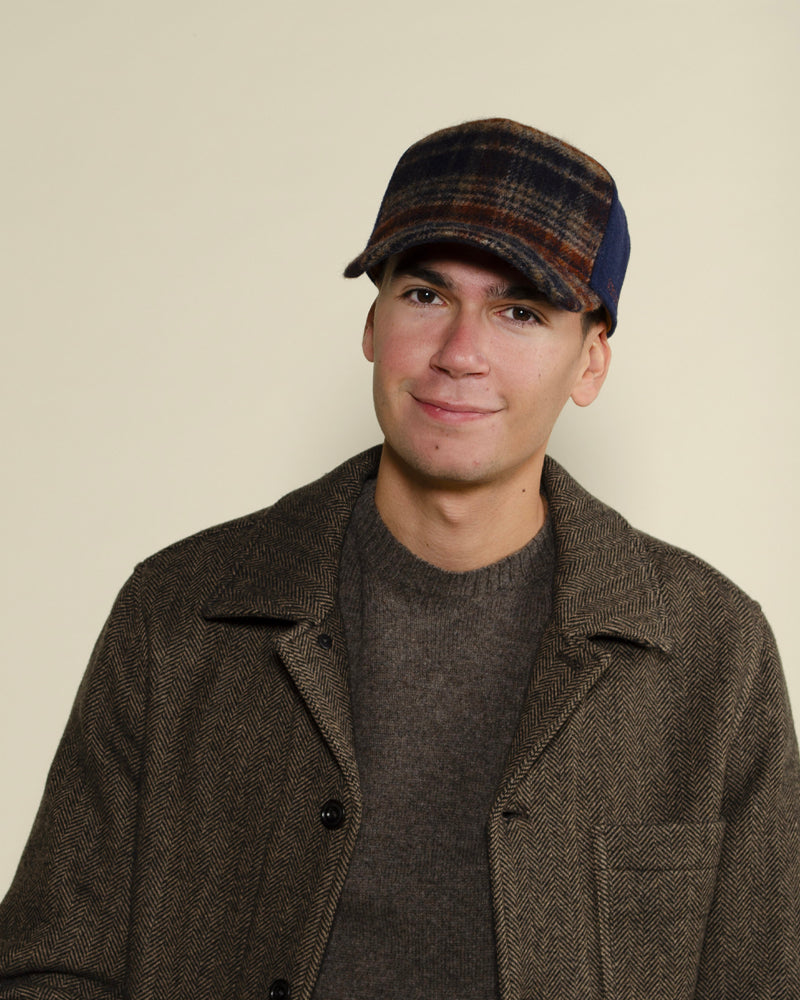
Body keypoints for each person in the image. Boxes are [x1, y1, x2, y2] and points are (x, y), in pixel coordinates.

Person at [0, 118, 798, 1000]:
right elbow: (50, 967)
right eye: (425, 296)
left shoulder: (712, 652)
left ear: (591, 362)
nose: (460, 354)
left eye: (520, 312)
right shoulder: (179, 615)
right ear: (372, 325)